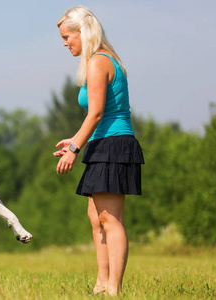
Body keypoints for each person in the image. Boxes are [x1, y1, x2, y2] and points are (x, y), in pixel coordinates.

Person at [53, 6, 144, 296]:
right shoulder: (98, 60)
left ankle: (114, 289)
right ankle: (101, 284)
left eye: (68, 37)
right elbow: (98, 117)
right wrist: (75, 139)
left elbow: (95, 114)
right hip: (102, 143)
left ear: (83, 32)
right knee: (96, 219)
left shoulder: (99, 62)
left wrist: (74, 149)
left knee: (110, 220)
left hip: (114, 145)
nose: (65, 43)